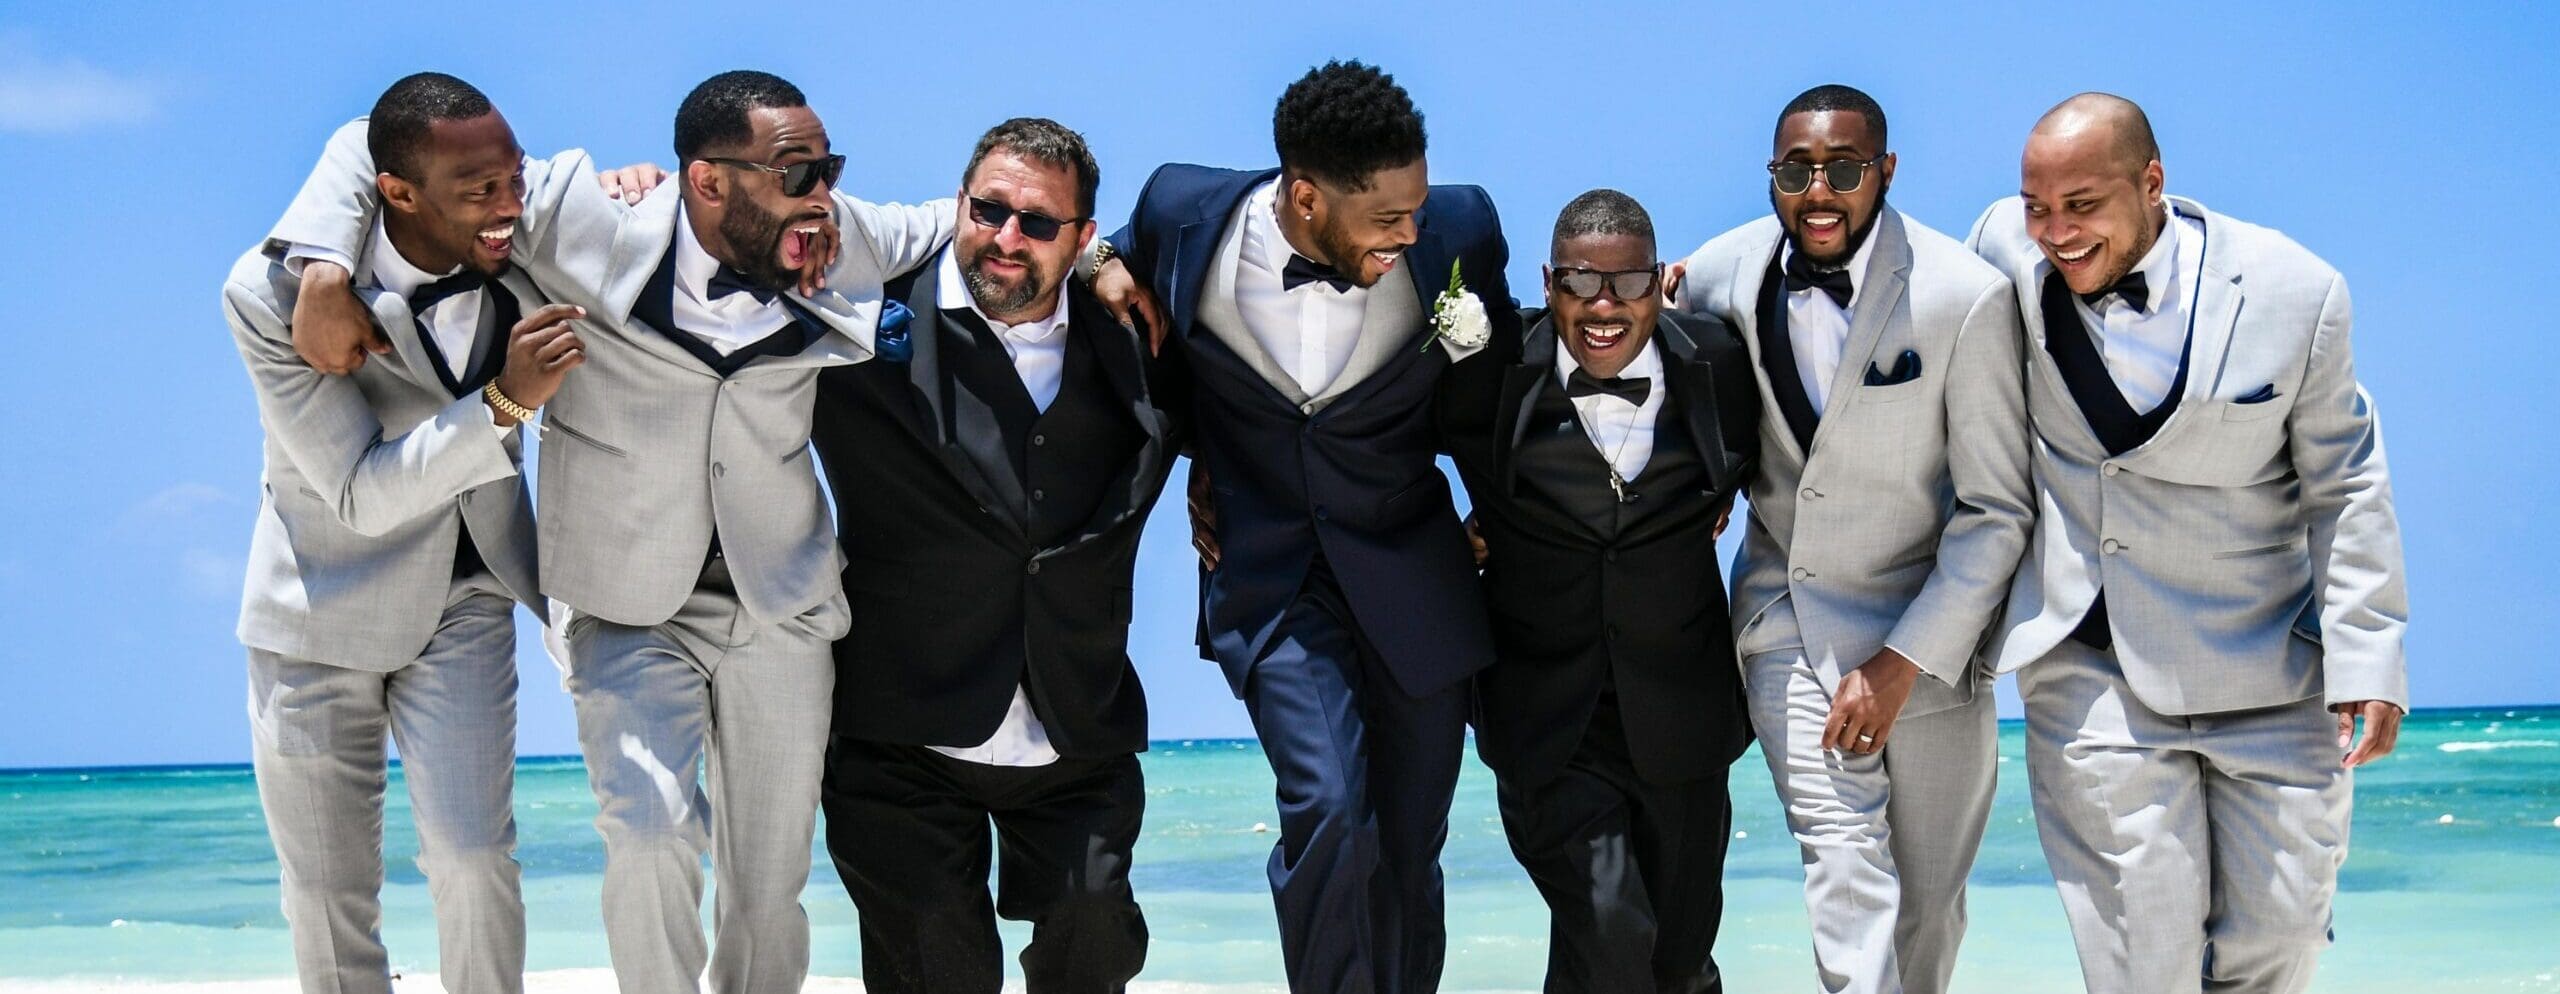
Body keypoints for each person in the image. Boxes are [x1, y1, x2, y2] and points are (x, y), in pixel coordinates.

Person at [264, 70, 952, 994]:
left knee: (768, 881)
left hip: (779, 596)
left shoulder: (838, 234)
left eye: (829, 168)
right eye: (798, 172)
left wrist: (1102, 256)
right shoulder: (576, 219)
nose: (821, 192)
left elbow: (977, 217)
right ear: (707, 181)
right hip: (627, 602)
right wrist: (318, 264)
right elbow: (376, 135)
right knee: (650, 831)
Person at [1090, 59, 1520, 993]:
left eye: (1416, 209)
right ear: (1305, 197)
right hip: (1268, 576)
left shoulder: (1460, 231)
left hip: (1415, 573)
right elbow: (1101, 245)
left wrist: (1498, 516)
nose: (1411, 233)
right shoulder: (1184, 212)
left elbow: (1502, 391)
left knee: (1409, 843)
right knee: (1327, 803)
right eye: (1386, 220)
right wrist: (1096, 264)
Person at [1966, 92, 2409, 994]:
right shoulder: (1998, 247)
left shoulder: (2297, 292)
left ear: (2153, 183)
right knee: (2143, 959)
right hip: (2093, 667)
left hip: (2267, 664)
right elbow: (1894, 289)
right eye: (2038, 206)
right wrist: (1709, 287)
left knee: (2280, 942)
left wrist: (2369, 659)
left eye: (2083, 204)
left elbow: (2347, 482)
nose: (2055, 231)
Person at [1669, 84, 2032, 994]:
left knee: (1931, 904)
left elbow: (1996, 509)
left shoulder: (1964, 297)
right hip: (1788, 619)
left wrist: (1904, 664)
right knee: (1843, 864)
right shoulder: (1720, 272)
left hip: (1929, 633)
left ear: (1886, 171)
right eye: (1796, 171)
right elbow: (1643, 339)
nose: (1817, 192)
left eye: (1842, 169)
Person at [222, 71, 579, 994]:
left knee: (474, 856)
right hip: (316, 611)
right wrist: (505, 403)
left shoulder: (522, 239)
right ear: (397, 193)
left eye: (514, 182)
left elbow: (360, 133)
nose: (509, 208)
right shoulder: (266, 297)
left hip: (468, 591)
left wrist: (621, 186)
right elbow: (359, 494)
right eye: (481, 193)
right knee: (331, 894)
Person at [806, 117, 1181, 994]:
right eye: (989, 210)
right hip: (899, 731)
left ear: (1085, 238)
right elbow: (729, 237)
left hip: (1075, 730)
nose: (1007, 238)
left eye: (1039, 223)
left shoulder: (1135, 340)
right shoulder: (859, 317)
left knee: (1095, 940)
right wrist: (645, 191)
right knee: (937, 967)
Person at [1436, 190, 1759, 993]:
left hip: (1682, 715)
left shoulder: (1717, 361)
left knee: (1675, 963)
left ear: (1659, 284)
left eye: (1627, 283)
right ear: (1549, 283)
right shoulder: (1492, 373)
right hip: (1545, 720)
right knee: (1610, 930)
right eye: (1581, 282)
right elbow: (1375, 440)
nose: (1604, 306)